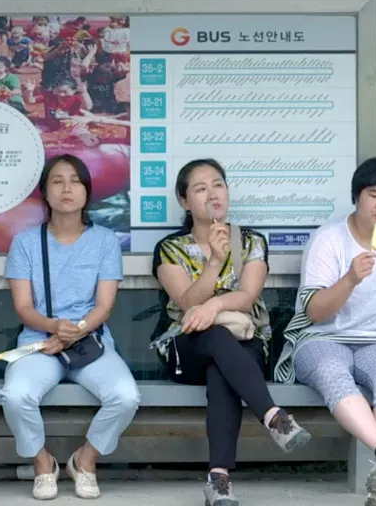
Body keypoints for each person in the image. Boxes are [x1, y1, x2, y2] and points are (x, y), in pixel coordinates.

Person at [272, 157, 376, 506]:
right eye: (373, 194)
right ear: (356, 197)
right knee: (334, 372)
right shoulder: (328, 239)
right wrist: (349, 279)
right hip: (320, 338)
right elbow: (313, 313)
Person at [151, 159, 312, 506]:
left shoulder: (251, 241)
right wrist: (213, 262)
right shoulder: (171, 248)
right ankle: (273, 416)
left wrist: (214, 307)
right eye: (201, 188)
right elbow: (187, 300)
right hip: (187, 346)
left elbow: (248, 295)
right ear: (184, 201)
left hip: (245, 342)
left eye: (218, 184)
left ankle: (219, 480)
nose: (213, 193)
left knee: (221, 371)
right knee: (214, 339)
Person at [0, 154, 141, 501]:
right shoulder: (26, 242)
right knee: (15, 396)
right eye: (57, 181)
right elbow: (23, 307)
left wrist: (76, 330)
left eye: (75, 181)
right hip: (40, 341)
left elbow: (104, 305)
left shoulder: (105, 241)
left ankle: (85, 461)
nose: (67, 188)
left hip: (88, 342)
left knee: (126, 397)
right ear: (44, 193)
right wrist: (54, 328)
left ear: (87, 192)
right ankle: (43, 464)